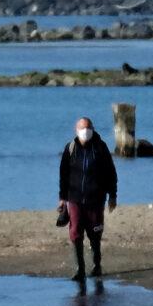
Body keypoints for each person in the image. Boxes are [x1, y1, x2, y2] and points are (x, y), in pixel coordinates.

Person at [57, 117, 119, 285]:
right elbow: (63, 175)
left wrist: (112, 195)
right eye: (82, 128)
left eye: (88, 127)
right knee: (75, 232)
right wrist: (62, 198)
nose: (86, 131)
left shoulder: (101, 148)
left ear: (93, 128)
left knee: (95, 233)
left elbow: (111, 173)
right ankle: (80, 269)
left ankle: (97, 264)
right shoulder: (70, 149)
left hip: (96, 198)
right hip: (75, 198)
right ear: (76, 131)